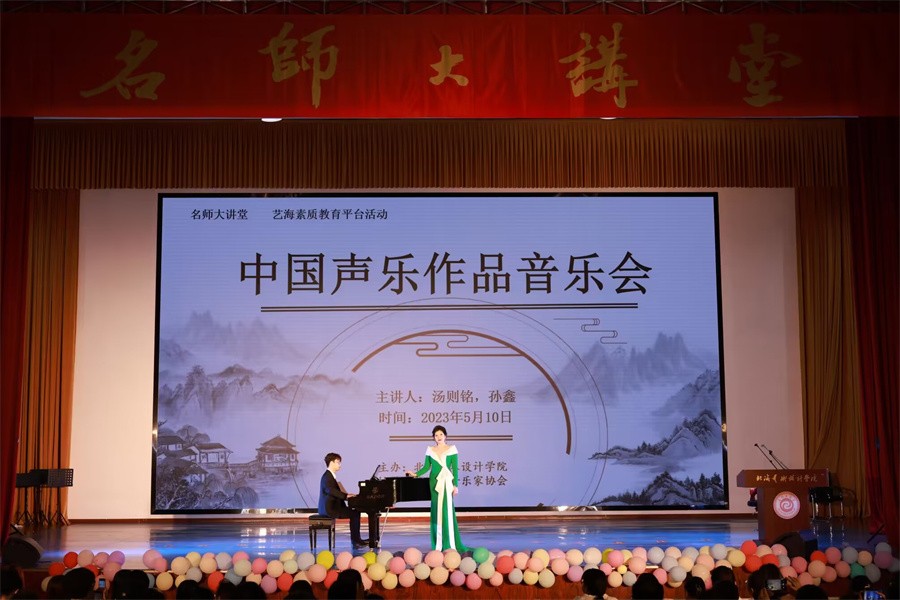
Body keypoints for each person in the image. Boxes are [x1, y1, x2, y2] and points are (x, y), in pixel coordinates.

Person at [405, 425, 467, 552]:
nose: (438, 437)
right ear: (433, 437)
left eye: (441, 434)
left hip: (446, 482)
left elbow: (455, 469)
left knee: (446, 511)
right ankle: (438, 544)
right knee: (436, 511)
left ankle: (450, 543)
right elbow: (426, 467)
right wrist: (415, 474)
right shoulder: (430, 450)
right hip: (434, 483)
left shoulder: (451, 449)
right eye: (436, 435)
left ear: (445, 436)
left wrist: (455, 485)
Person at [319, 452, 367, 548]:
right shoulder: (327, 476)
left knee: (355, 512)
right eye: (338, 462)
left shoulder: (329, 476)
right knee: (355, 513)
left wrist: (346, 495)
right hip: (330, 509)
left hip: (332, 507)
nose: (339, 465)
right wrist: (346, 496)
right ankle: (356, 540)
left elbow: (334, 491)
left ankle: (356, 539)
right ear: (331, 463)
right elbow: (330, 490)